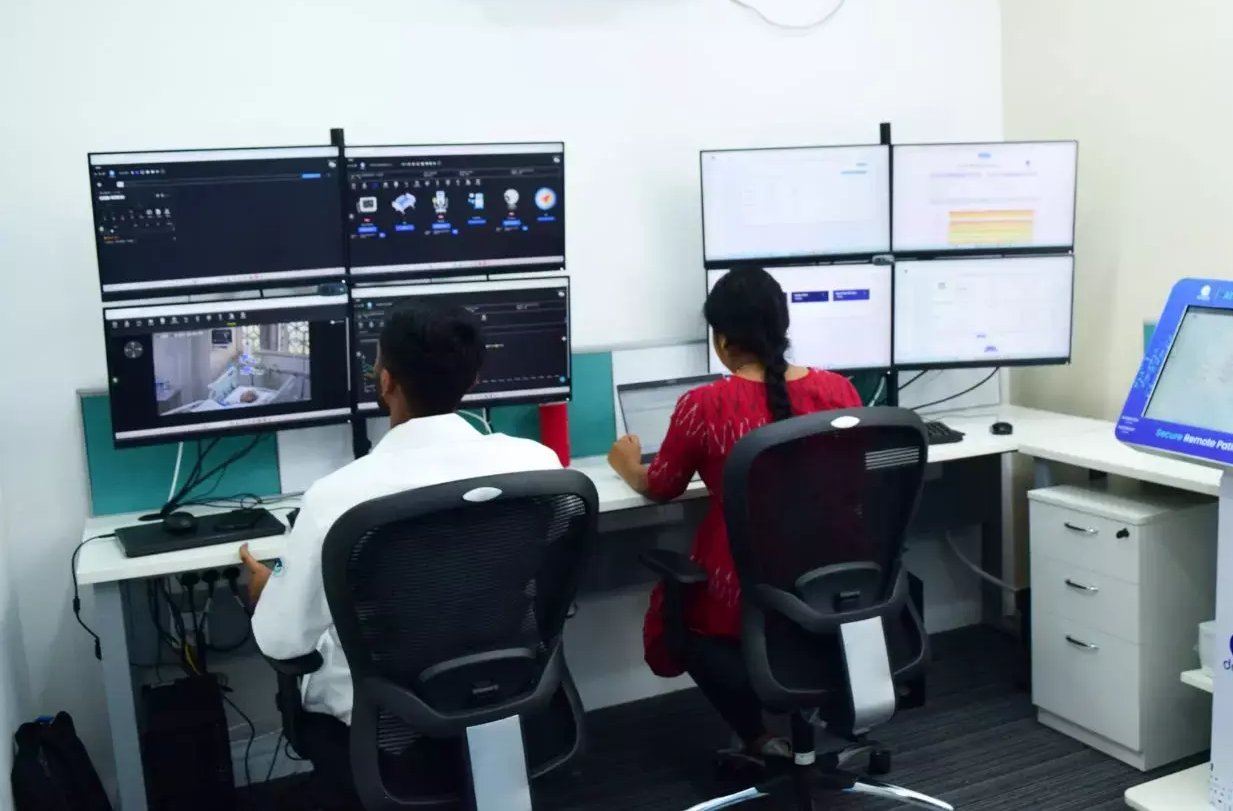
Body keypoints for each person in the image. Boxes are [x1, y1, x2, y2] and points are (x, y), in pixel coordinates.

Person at [240, 300, 560, 808]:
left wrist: (267, 591)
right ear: (474, 379)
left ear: (385, 381)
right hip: (507, 692)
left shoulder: (337, 498)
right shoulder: (538, 466)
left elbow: (283, 644)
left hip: (390, 729)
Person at [608, 266, 861, 761]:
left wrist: (626, 465)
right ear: (783, 329)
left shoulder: (705, 405)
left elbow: (661, 487)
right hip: (830, 587)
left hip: (742, 598)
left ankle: (758, 737)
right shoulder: (839, 392)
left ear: (722, 341)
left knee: (681, 610)